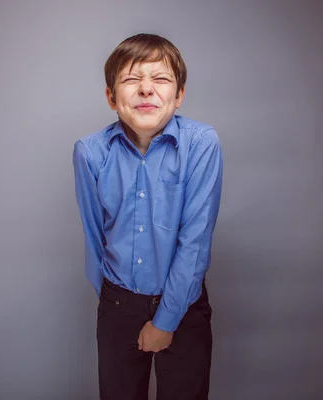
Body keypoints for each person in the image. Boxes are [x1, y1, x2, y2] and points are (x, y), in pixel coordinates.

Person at [72, 33, 223, 400]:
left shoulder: (202, 144)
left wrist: (165, 320)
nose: (146, 90)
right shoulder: (90, 152)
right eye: (130, 79)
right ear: (111, 97)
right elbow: (94, 237)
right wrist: (114, 305)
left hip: (183, 303)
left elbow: (195, 242)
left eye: (160, 79)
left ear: (179, 94)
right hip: (118, 303)